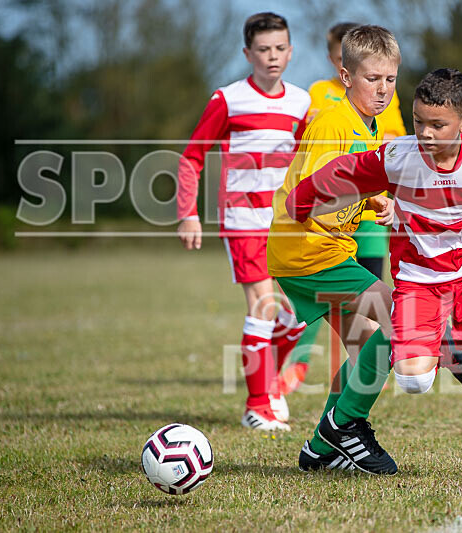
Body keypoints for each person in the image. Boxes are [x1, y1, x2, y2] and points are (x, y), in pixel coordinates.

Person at [287, 68, 462, 475]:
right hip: (419, 279)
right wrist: (302, 201)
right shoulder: (397, 157)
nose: (426, 133)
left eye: (438, 125)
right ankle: (435, 344)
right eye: (419, 121)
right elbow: (342, 173)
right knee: (414, 381)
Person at [176, 12, 310, 432]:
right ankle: (257, 406)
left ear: (291, 51)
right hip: (243, 219)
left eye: (280, 48)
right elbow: (191, 157)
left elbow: (309, 165)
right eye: (263, 49)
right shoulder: (228, 99)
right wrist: (188, 214)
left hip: (286, 224)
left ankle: (269, 384)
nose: (273, 56)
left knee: (299, 315)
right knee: (263, 307)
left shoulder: (302, 103)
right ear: (247, 53)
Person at [280, 22, 407, 393]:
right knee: (400, 315)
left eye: (390, 79)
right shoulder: (330, 115)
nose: (382, 89)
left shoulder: (369, 123)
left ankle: (327, 439)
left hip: (334, 245)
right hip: (312, 251)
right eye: (373, 78)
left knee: (367, 350)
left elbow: (384, 148)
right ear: (344, 73)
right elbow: (314, 192)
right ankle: (448, 350)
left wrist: (371, 201)